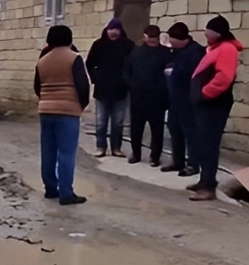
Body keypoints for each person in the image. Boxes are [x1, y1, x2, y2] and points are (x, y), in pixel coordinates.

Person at [188, 15, 244, 201]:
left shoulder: (227, 49)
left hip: (214, 104)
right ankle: (204, 180)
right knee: (203, 143)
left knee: (209, 144)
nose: (205, 35)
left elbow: (223, 78)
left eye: (208, 32)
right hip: (207, 105)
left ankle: (208, 186)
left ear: (217, 33)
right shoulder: (217, 48)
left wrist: (204, 93)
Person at [35, 25, 90, 206]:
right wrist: (81, 105)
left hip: (46, 110)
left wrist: (46, 100)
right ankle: (66, 193)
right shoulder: (74, 58)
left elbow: (37, 85)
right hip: (68, 110)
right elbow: (82, 85)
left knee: (48, 151)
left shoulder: (42, 60)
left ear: (49, 40)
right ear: (70, 39)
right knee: (66, 153)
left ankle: (51, 189)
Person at [85, 17, 134, 158]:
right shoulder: (99, 45)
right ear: (107, 30)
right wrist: (96, 78)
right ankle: (101, 147)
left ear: (120, 31)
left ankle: (116, 148)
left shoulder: (128, 46)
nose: (113, 33)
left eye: (116, 30)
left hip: (121, 91)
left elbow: (133, 66)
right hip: (102, 90)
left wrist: (128, 81)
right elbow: (89, 63)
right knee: (101, 121)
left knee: (118, 122)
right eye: (111, 30)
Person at [123, 25, 171, 166]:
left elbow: (169, 73)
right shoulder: (136, 52)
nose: (153, 43)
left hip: (157, 98)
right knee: (136, 128)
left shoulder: (165, 53)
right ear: (145, 37)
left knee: (157, 129)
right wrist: (131, 84)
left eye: (155, 40)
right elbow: (126, 70)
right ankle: (136, 153)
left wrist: (163, 88)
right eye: (151, 39)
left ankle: (155, 156)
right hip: (138, 96)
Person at [163, 22, 206, 177]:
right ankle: (177, 161)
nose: (170, 42)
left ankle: (193, 164)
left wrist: (175, 72)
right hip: (174, 98)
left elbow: (195, 74)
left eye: (172, 39)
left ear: (182, 39)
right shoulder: (175, 51)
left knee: (190, 132)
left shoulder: (196, 52)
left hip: (189, 99)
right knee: (174, 129)